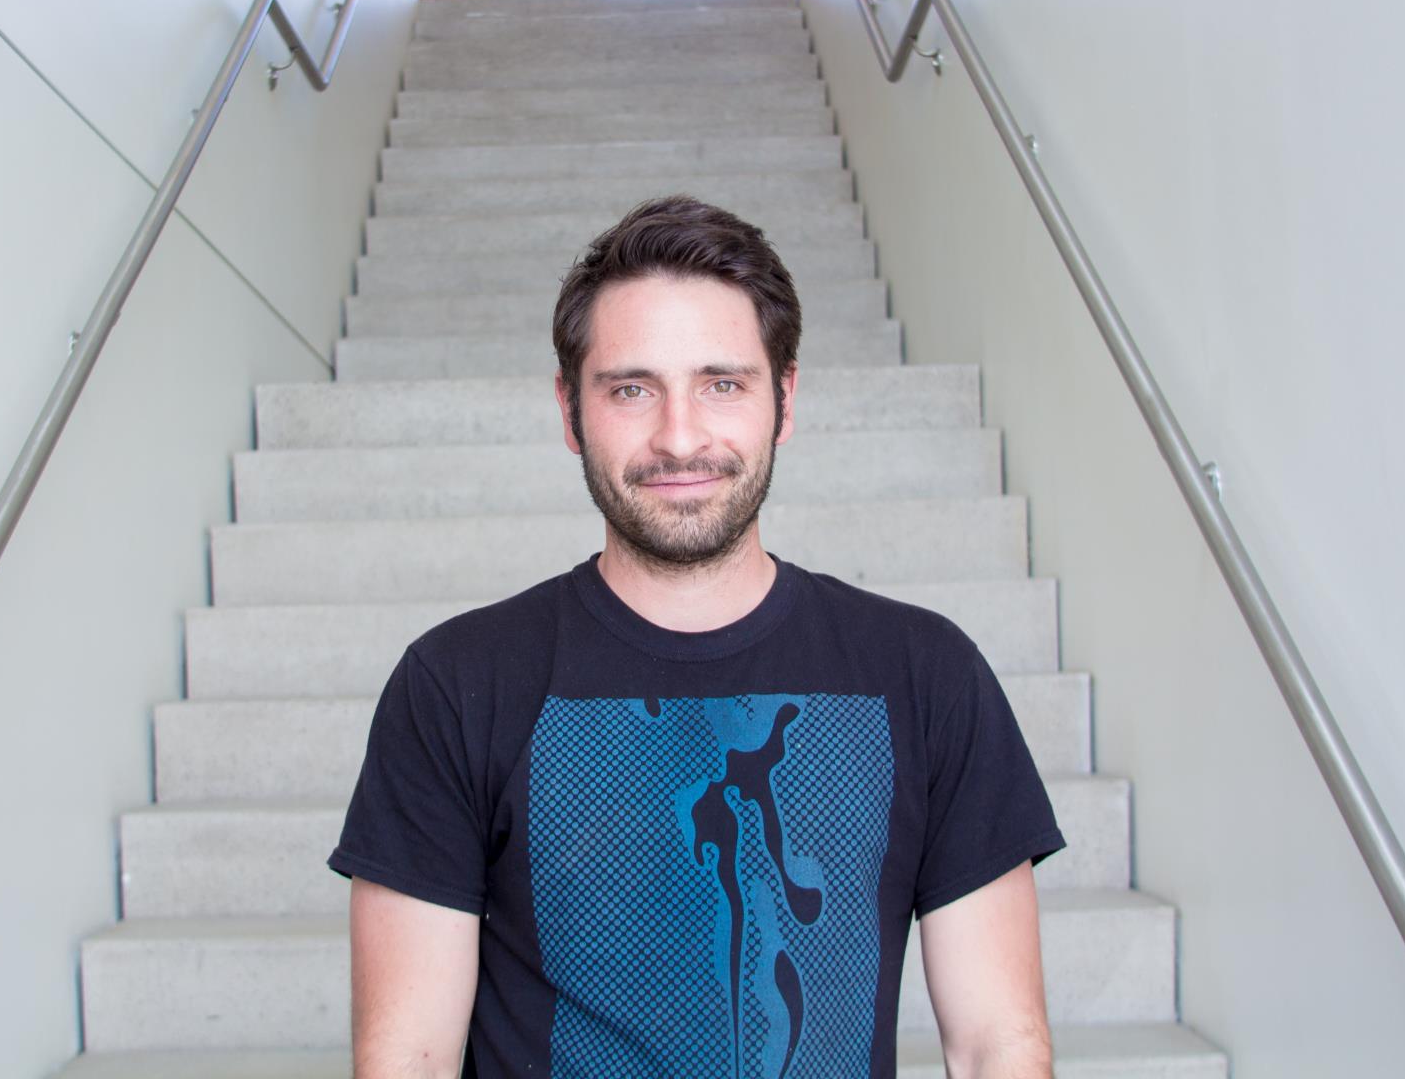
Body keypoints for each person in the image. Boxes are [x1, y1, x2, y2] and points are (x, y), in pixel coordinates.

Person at [328, 195, 1064, 1078]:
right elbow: (406, 1056)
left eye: (723, 383)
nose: (680, 438)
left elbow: (997, 1048)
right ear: (570, 413)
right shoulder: (457, 683)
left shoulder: (924, 673)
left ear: (783, 401)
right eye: (632, 389)